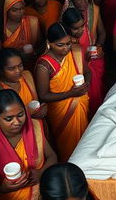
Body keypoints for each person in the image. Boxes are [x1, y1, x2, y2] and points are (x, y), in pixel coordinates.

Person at [35, 23, 90, 161]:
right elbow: (43, 95)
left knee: (85, 140)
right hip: (60, 112)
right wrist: (71, 94)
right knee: (68, 147)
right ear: (49, 43)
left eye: (68, 43)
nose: (66, 48)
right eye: (60, 45)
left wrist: (86, 85)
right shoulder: (44, 66)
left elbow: (87, 72)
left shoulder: (76, 52)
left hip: (79, 103)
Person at [61, 7, 106, 115]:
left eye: (82, 26)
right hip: (74, 77)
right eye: (76, 28)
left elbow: (89, 49)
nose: (81, 30)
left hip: (89, 70)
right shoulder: (63, 43)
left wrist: (99, 52)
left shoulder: (84, 31)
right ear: (67, 27)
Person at [0, 48, 45, 120]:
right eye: (11, 69)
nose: (18, 71)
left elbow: (36, 100)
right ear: (1, 70)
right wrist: (29, 116)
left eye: (20, 66)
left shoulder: (26, 75)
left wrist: (42, 109)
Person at [0, 0, 42, 70]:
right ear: (6, 11)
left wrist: (33, 53)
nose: (19, 12)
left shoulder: (32, 22)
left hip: (31, 64)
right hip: (10, 69)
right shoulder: (0, 28)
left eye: (22, 8)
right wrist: (19, 55)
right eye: (14, 10)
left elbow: (40, 44)